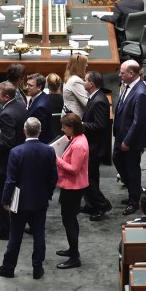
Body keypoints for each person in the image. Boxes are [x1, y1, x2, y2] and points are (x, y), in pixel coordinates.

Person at [0, 118, 58, 280]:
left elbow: (10, 180)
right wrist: (47, 194)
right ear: (39, 131)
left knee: (15, 236)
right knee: (39, 235)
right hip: (40, 200)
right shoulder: (49, 151)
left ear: (24, 131)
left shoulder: (16, 152)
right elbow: (53, 178)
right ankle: (37, 268)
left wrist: (6, 200)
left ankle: (8, 267)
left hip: (19, 201)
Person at [0, 82, 28, 240]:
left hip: (4, 163)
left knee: (1, 196)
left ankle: (3, 230)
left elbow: (7, 142)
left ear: (6, 96)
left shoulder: (7, 114)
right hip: (18, 160)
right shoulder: (19, 105)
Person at [113, 61, 146, 215]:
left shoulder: (140, 92)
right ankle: (133, 192)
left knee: (132, 169)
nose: (119, 75)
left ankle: (134, 201)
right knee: (118, 161)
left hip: (131, 141)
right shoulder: (128, 86)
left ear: (131, 74)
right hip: (121, 136)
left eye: (122, 72)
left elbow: (138, 121)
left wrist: (127, 141)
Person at [54, 113, 88, 269]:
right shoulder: (76, 139)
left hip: (73, 187)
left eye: (64, 127)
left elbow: (74, 169)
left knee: (69, 221)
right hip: (71, 186)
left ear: (72, 127)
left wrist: (57, 160)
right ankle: (73, 250)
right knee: (71, 219)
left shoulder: (78, 145)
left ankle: (74, 257)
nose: (62, 130)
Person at [80, 70, 113, 221]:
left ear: (91, 84)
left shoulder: (99, 100)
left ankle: (102, 204)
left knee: (88, 178)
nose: (83, 81)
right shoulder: (94, 97)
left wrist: (81, 124)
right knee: (91, 176)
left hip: (95, 146)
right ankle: (91, 204)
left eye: (85, 80)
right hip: (92, 144)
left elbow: (100, 125)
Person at [24, 73, 53, 143]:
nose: (27, 87)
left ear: (39, 87)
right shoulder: (40, 96)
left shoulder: (40, 107)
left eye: (30, 85)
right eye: (27, 84)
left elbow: (38, 131)